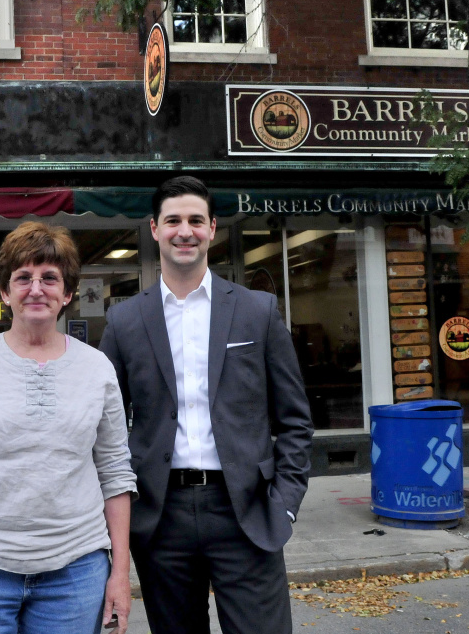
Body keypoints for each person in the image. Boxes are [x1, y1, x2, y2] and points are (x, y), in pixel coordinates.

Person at [99, 176, 314, 634]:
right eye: (173, 220)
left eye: (196, 220)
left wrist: (287, 502)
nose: (185, 231)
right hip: (161, 518)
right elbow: (107, 428)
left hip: (248, 511)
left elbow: (295, 419)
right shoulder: (123, 321)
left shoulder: (258, 310)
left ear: (213, 228)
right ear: (154, 228)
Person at [0, 221, 137, 634]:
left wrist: (120, 573)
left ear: (67, 293)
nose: (36, 288)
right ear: (4, 291)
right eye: (23, 278)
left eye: (50, 278)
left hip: (75, 571)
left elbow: (116, 475)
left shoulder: (97, 368)